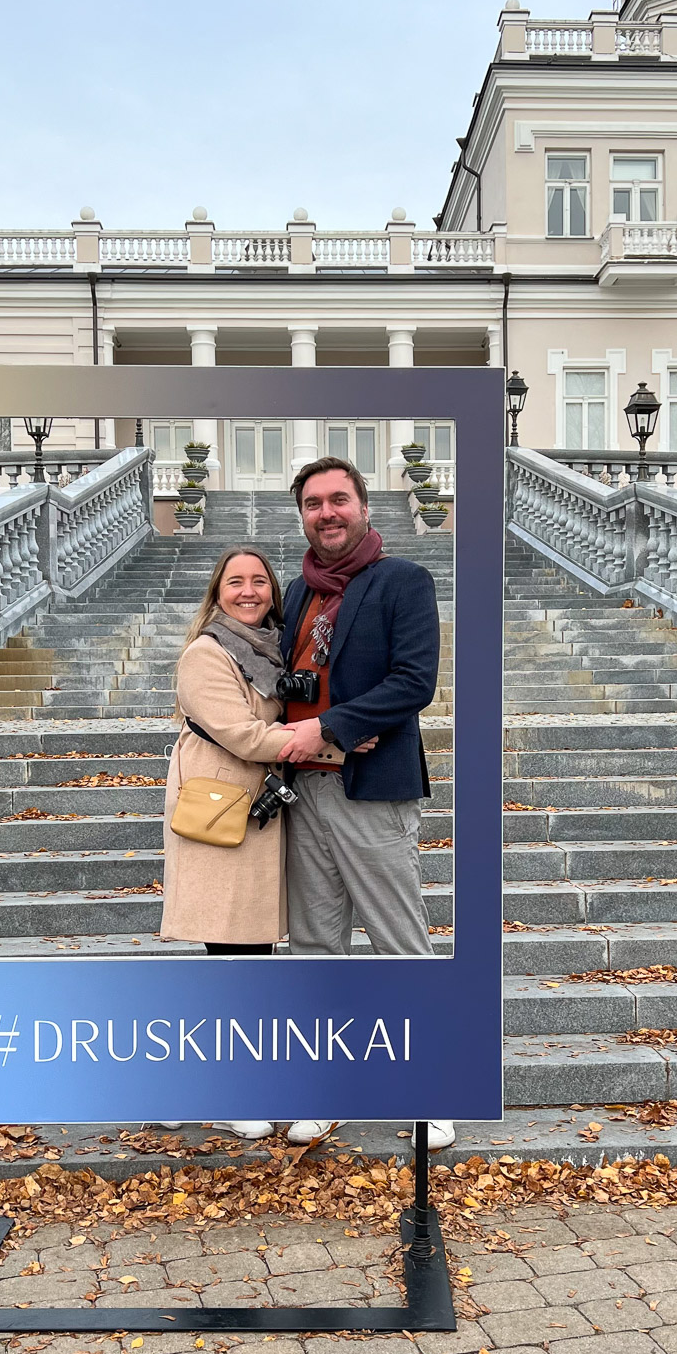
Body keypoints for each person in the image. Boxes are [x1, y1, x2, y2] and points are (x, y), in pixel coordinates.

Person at [275, 456, 455, 1153]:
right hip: (304, 791)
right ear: (303, 515)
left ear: (363, 506)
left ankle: (432, 1089)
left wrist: (332, 724)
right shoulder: (297, 592)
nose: (328, 513)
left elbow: (414, 680)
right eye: (315, 503)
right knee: (317, 946)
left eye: (338, 499)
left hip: (370, 788)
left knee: (398, 944)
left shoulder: (401, 582)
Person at [159, 546, 294, 1139]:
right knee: (231, 954)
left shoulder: (273, 648)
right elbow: (241, 733)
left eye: (259, 581)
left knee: (248, 956)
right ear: (217, 593)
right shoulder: (207, 653)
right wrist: (324, 742)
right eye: (235, 581)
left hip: (254, 811)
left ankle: (205, 1083)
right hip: (221, 813)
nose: (248, 591)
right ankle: (222, 1091)